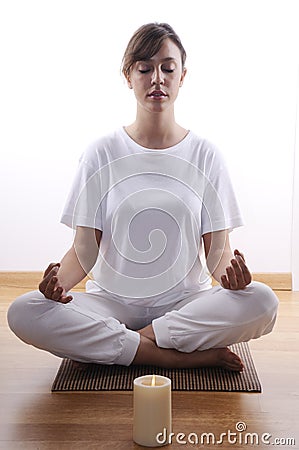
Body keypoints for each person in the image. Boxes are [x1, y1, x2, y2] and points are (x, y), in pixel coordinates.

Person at [8, 23, 279, 371]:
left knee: (263, 301)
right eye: (145, 68)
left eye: (168, 68)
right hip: (111, 304)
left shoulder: (206, 155)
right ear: (128, 75)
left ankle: (132, 341)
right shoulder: (101, 153)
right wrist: (57, 285)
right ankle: (175, 356)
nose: (157, 79)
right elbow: (84, 249)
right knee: (25, 311)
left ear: (182, 77)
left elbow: (218, 251)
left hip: (186, 304)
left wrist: (233, 276)